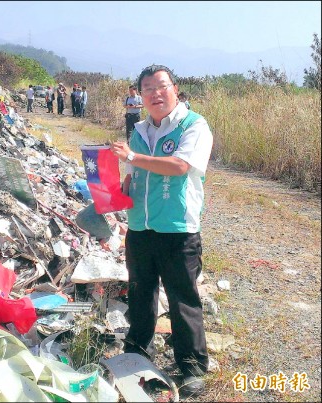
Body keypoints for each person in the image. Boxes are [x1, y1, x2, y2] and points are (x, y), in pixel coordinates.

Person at [110, 64, 213, 398]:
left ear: (175, 89)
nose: (155, 94)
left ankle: (191, 365)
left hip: (177, 229)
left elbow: (181, 166)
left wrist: (134, 158)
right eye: (147, 88)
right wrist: (121, 186)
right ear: (140, 95)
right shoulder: (140, 130)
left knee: (183, 298)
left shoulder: (193, 125)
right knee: (140, 292)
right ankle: (137, 351)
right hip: (140, 226)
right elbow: (136, 173)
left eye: (161, 86)